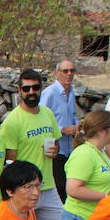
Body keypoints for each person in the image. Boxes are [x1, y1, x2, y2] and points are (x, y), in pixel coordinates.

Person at [1, 69, 68, 220]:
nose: (31, 92)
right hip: (25, 189)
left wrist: (55, 150)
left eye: (35, 87)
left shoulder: (47, 113)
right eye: (26, 88)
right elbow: (10, 162)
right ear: (19, 91)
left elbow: (55, 143)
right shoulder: (13, 121)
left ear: (41, 89)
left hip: (47, 187)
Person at [39, 60, 81, 203]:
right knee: (59, 188)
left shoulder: (72, 93)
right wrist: (62, 130)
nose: (69, 74)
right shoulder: (49, 93)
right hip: (56, 149)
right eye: (65, 71)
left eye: (72, 71)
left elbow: (72, 115)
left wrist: (78, 127)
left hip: (70, 149)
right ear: (57, 73)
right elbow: (41, 119)